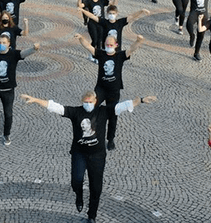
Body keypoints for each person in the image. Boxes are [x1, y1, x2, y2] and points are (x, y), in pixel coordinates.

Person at [20, 92, 157, 223]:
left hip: (97, 156)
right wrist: (36, 100)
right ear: (82, 102)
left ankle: (92, 216)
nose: (87, 104)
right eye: (85, 102)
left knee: (96, 187)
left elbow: (123, 106)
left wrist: (142, 100)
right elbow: (55, 107)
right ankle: (79, 196)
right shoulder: (76, 112)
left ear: (95, 101)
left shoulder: (103, 111)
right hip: (79, 154)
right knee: (76, 180)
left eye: (90, 102)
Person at [74, 33, 145, 150]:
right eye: (107, 44)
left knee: (113, 115)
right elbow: (88, 46)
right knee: (91, 109)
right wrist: (81, 38)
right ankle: (89, 134)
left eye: (111, 44)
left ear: (116, 45)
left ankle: (110, 139)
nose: (108, 46)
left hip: (113, 91)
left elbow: (132, 49)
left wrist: (138, 41)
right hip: (100, 88)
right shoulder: (101, 54)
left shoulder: (120, 56)